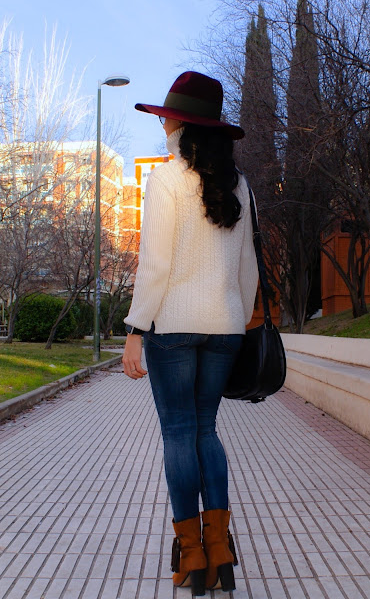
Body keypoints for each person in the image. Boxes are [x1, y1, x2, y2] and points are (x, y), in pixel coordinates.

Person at [122, 71, 258, 597]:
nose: (162, 121)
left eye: (165, 115)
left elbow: (155, 266)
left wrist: (136, 328)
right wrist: (234, 318)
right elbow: (247, 269)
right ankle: (221, 556)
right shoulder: (240, 185)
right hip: (225, 329)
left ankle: (192, 559)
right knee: (206, 432)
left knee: (179, 433)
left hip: (173, 327)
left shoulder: (167, 179)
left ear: (179, 123)